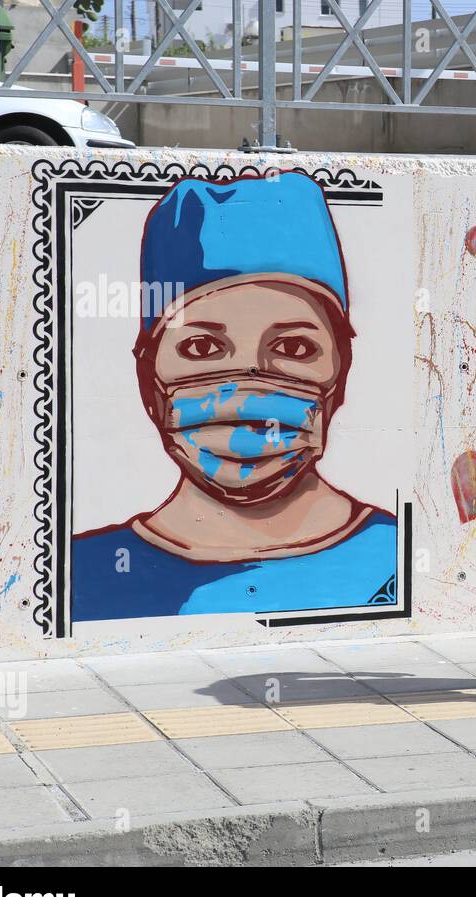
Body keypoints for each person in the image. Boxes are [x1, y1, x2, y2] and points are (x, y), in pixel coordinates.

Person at [71, 172, 398, 621]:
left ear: (340, 373)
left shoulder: (395, 558)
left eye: (294, 348)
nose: (249, 385)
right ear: (149, 379)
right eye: (202, 348)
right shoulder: (83, 573)